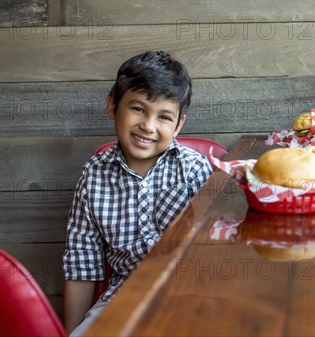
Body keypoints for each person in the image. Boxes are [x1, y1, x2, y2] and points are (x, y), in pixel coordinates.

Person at [62, 51, 213, 335]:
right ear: (112, 105)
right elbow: (82, 263)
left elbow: (215, 252)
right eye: (139, 109)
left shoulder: (193, 170)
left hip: (190, 294)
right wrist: (72, 330)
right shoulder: (93, 176)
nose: (149, 126)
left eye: (164, 116)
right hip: (124, 297)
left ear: (179, 125)